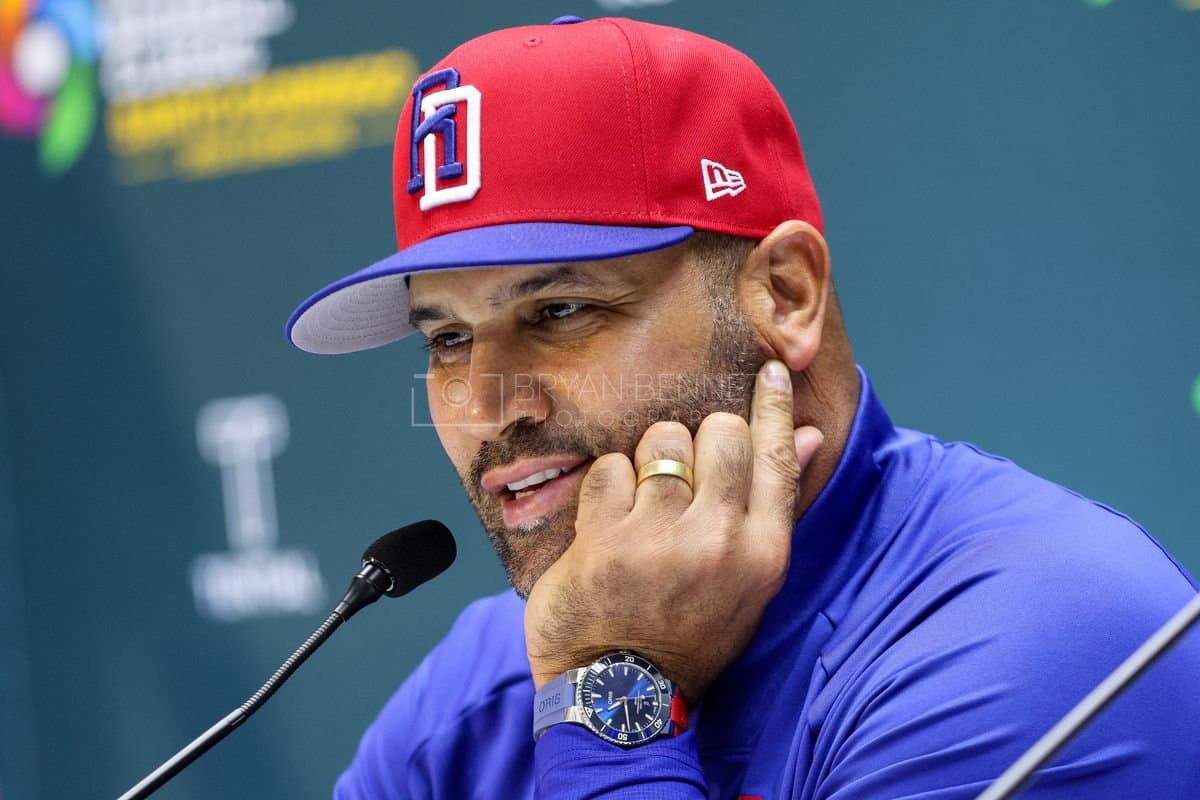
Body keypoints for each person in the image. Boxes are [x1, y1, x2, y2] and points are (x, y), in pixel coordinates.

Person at [286, 15, 1200, 799]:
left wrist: (608, 691)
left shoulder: (1043, 637)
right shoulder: (481, 685)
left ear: (786, 294)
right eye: (445, 338)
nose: (485, 409)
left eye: (559, 311)